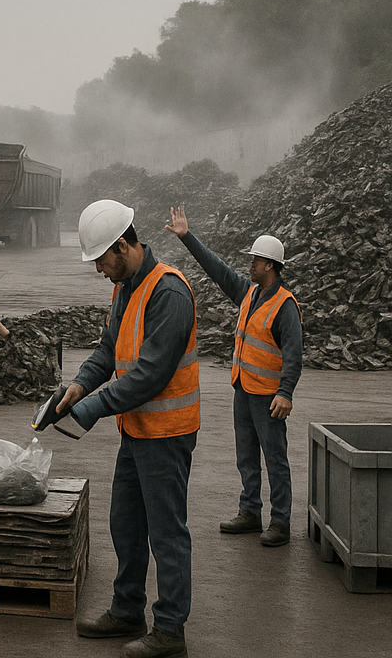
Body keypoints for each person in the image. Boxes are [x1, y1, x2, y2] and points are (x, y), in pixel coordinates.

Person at [56, 199, 198, 658]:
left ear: (123, 245)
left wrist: (93, 408)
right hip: (136, 430)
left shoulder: (169, 293)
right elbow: (107, 351)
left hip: (167, 434)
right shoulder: (125, 287)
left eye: (101, 259)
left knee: (167, 532)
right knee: (127, 523)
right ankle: (128, 609)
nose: (99, 270)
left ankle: (170, 630)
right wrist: (78, 387)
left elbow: (150, 375)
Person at [165, 206, 301, 548]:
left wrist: (285, 393)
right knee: (246, 456)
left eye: (255, 260)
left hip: (269, 397)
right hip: (244, 390)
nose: (249, 265)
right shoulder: (249, 293)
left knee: (275, 459)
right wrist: (187, 237)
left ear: (269, 265)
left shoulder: (284, 306)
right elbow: (218, 269)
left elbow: (294, 355)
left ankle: (280, 522)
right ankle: (250, 512)